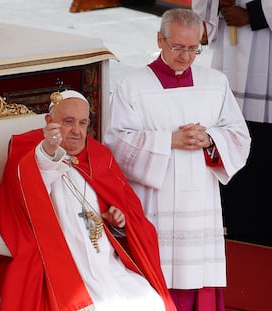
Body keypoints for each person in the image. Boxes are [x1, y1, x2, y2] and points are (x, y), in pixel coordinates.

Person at [103, 8, 251, 311]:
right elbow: (116, 143)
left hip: (201, 202)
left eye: (194, 48)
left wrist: (210, 139)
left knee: (200, 281)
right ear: (160, 39)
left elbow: (239, 136)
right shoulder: (133, 85)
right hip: (156, 202)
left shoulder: (215, 82)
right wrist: (169, 140)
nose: (186, 56)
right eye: (178, 47)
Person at [0, 90, 176, 311]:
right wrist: (49, 150)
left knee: (150, 301)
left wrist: (116, 221)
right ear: (49, 121)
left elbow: (128, 216)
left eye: (83, 123)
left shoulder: (99, 156)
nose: (77, 131)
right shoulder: (30, 151)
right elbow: (26, 190)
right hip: (60, 267)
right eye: (68, 122)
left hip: (106, 264)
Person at [192, 0, 272, 246]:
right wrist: (217, 5)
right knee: (231, 138)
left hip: (266, 49)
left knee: (264, 152)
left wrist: (255, 14)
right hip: (230, 51)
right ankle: (234, 228)